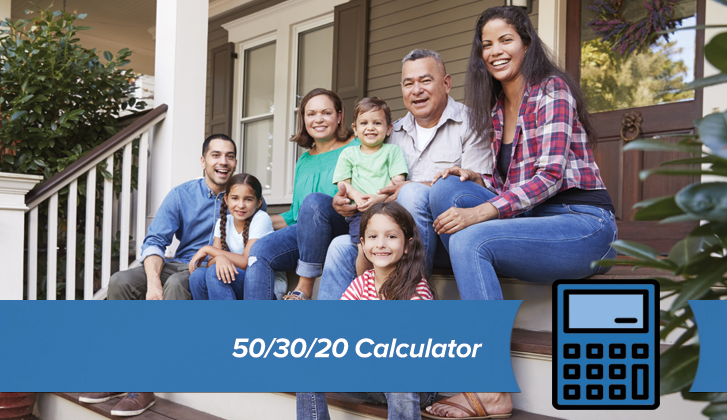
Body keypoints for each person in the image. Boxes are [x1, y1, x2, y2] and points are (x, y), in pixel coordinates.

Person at [424, 6, 617, 419]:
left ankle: (492, 388)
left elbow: (549, 177)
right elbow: (512, 188)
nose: (494, 50)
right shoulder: (496, 109)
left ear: (526, 43)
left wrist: (484, 212)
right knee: (445, 192)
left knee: (471, 236)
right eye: (486, 44)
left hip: (582, 223)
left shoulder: (552, 91)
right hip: (534, 222)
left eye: (505, 40)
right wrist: (474, 179)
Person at [79, 134, 238, 416]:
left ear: (235, 162)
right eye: (216, 155)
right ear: (203, 161)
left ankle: (145, 385)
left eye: (229, 156)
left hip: (207, 270)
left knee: (177, 283)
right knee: (120, 281)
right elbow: (154, 241)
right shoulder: (182, 195)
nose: (223, 162)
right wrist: (153, 283)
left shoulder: (242, 196)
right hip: (177, 262)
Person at [314, 49, 492, 300]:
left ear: (447, 83)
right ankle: (333, 332)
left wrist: (410, 188)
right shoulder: (391, 131)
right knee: (340, 247)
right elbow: (362, 180)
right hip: (391, 239)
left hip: (445, 238)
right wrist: (345, 199)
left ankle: (409, 296)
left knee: (410, 192)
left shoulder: (471, 123)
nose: (416, 90)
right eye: (408, 83)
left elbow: (478, 187)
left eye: (425, 80)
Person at [297, 202, 435, 420]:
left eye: (391, 236)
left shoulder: (417, 289)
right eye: (372, 237)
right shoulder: (363, 283)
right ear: (362, 243)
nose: (381, 244)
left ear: (407, 245)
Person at [244, 88, 358, 300]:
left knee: (314, 201)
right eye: (311, 114)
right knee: (260, 251)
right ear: (303, 119)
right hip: (305, 234)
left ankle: (304, 287)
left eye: (326, 112)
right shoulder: (303, 161)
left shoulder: (356, 147)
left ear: (339, 115)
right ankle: (258, 323)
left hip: (343, 226)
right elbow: (296, 215)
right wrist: (255, 220)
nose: (318, 119)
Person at [288, 97, 408, 297]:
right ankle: (366, 288)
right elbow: (343, 183)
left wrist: (378, 198)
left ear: (388, 129)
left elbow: (397, 181)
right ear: (355, 128)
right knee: (364, 249)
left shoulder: (392, 152)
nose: (370, 128)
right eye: (364, 123)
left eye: (377, 123)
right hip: (360, 213)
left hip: (387, 211)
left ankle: (384, 286)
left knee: (382, 249)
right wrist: (357, 196)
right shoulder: (349, 154)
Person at [188, 173, 272, 300]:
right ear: (226, 199)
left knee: (215, 273)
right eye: (235, 198)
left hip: (262, 284)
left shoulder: (261, 218)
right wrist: (220, 257)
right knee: (197, 276)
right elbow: (211, 262)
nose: (241, 205)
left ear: (259, 202)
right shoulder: (223, 222)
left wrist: (207, 249)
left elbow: (245, 262)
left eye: (248, 199)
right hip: (240, 279)